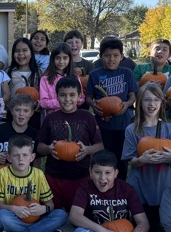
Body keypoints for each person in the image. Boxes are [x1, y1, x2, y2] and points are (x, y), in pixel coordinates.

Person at [71, 150, 158, 232]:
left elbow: (143, 223)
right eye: (97, 172)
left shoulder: (127, 189)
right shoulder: (85, 188)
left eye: (108, 173)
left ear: (116, 173)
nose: (102, 178)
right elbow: (74, 216)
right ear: (90, 172)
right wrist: (101, 230)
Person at [121, 83, 171, 232]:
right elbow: (131, 160)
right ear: (139, 102)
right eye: (147, 100)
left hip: (163, 188)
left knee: (160, 230)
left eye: (156, 100)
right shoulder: (132, 129)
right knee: (141, 229)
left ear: (162, 103)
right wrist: (142, 160)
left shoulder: (170, 129)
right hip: (139, 187)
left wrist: (170, 158)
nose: (151, 104)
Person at [0, 134, 68, 232]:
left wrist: (43, 209)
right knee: (0, 217)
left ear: (32, 157)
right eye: (16, 155)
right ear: (8, 157)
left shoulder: (38, 174)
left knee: (61, 215)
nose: (21, 159)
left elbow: (50, 204)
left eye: (25, 155)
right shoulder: (3, 174)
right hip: (13, 218)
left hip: (34, 217)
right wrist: (14, 209)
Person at [37, 77, 104, 210]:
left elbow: (100, 146)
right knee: (53, 213)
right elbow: (39, 147)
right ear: (57, 96)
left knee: (78, 213)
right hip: (54, 176)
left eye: (72, 95)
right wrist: (49, 149)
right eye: (62, 95)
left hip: (80, 175)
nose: (67, 99)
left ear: (80, 96)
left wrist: (87, 150)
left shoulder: (87, 117)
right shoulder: (51, 118)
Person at [86, 37, 138, 180]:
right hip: (103, 124)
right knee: (104, 156)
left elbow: (133, 96)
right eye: (107, 56)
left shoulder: (127, 73)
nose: (111, 59)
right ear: (101, 56)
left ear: (121, 56)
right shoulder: (94, 74)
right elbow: (88, 97)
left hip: (123, 123)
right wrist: (93, 105)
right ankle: (103, 183)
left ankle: (120, 184)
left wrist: (126, 105)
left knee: (121, 158)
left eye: (115, 56)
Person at [0, 94, 40, 215]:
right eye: (17, 110)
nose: (21, 114)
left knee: (28, 211)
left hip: (25, 181)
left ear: (31, 113)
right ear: (11, 111)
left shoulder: (34, 134)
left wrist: (35, 179)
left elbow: (37, 160)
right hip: (2, 180)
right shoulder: (0, 130)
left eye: (25, 111)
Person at [6, 38, 42, 130]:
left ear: (31, 53)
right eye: (17, 51)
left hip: (33, 113)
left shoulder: (39, 73)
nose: (21, 54)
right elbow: (5, 93)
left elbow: (42, 93)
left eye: (25, 50)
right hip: (13, 113)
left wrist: (36, 106)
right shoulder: (8, 72)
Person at [39, 43, 82, 115]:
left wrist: (72, 102)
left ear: (70, 59)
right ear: (53, 59)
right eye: (58, 58)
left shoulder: (75, 77)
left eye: (65, 58)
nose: (61, 61)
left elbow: (81, 97)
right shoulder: (45, 79)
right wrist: (63, 102)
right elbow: (43, 102)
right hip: (53, 118)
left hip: (72, 116)